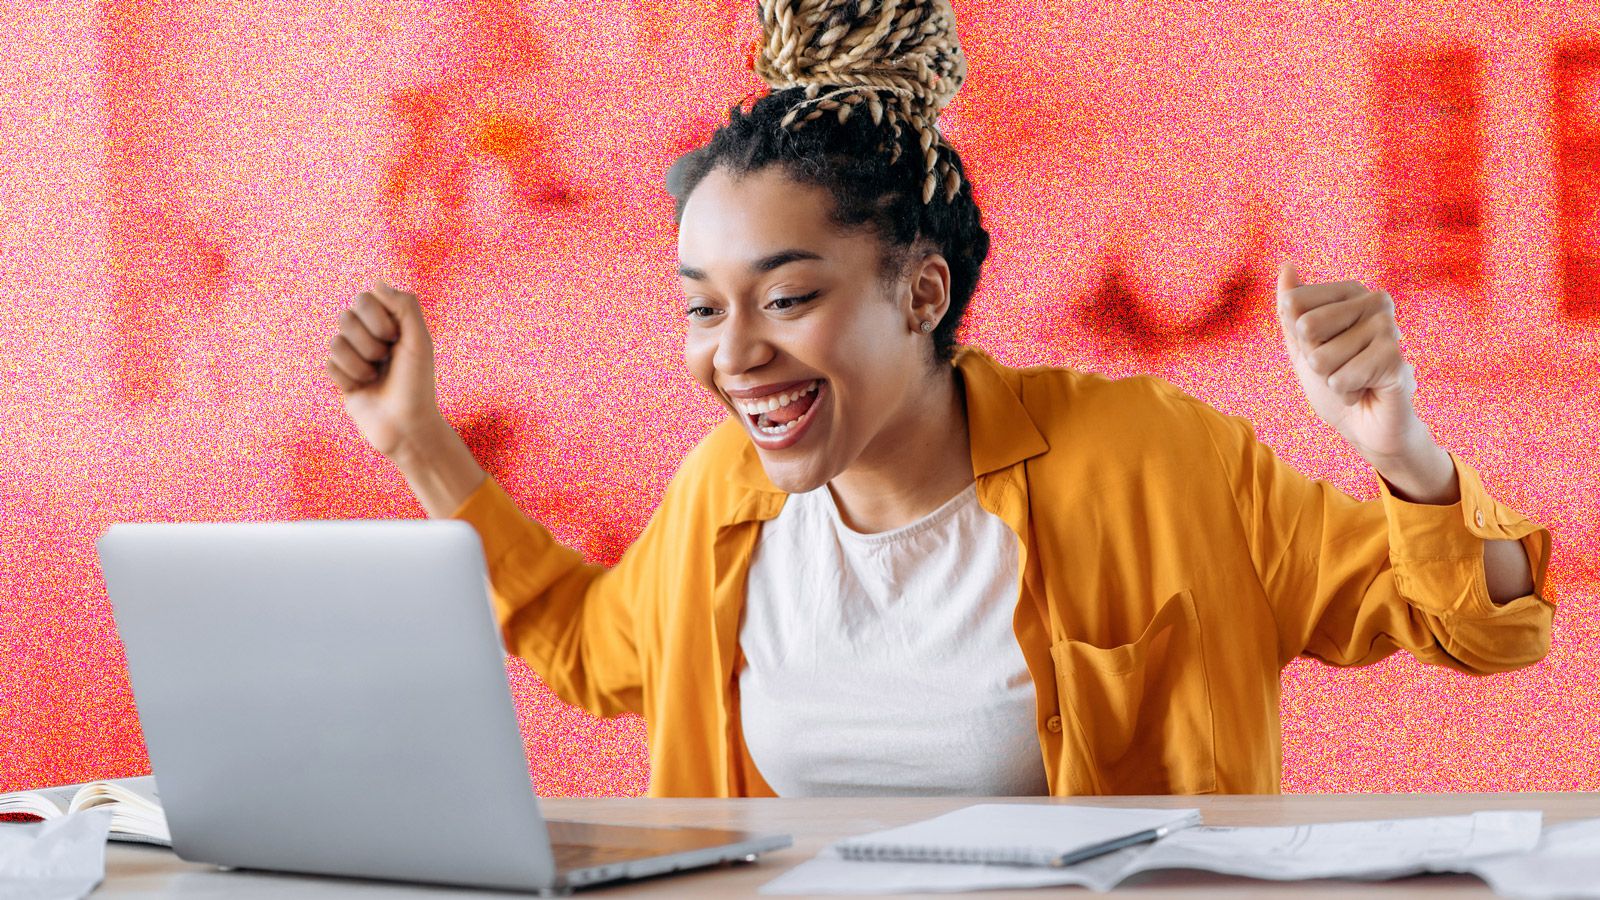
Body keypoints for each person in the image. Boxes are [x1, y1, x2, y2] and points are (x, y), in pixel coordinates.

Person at [322, 0, 1554, 798]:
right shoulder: (722, 500)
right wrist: (419, 446)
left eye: (788, 299)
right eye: (705, 308)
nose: (732, 357)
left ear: (920, 293)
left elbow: (1475, 620)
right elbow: (589, 647)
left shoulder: (1152, 460)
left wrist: (1404, 453)